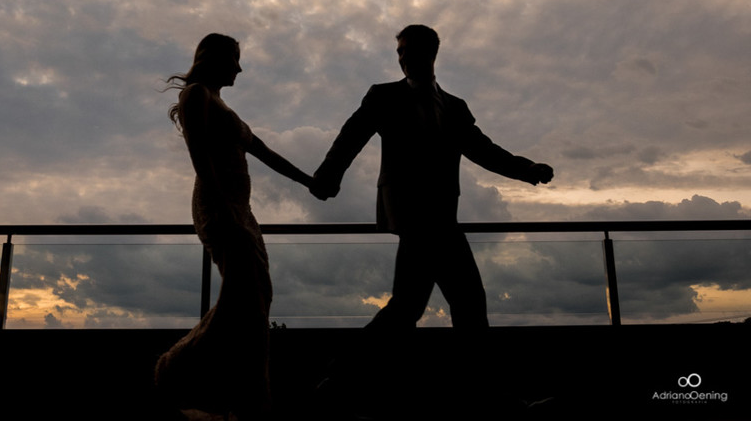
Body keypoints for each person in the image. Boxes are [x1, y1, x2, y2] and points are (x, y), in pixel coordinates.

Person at [311, 25, 554, 328]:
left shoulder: (454, 107)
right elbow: (350, 138)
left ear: (431, 53)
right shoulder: (383, 96)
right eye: (399, 52)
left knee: (414, 305)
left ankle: (342, 373)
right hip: (412, 214)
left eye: (408, 51)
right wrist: (328, 176)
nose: (402, 58)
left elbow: (483, 149)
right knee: (459, 301)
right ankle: (342, 374)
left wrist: (527, 169)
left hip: (440, 215)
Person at [156, 33, 313, 418]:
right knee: (248, 302)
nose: (240, 68)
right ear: (215, 58)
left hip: (241, 210)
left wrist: (311, 182)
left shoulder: (222, 104)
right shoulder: (196, 95)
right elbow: (199, 158)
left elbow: (264, 152)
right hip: (219, 208)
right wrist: (227, 212)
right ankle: (177, 371)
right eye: (235, 59)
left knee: (257, 299)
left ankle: (237, 396)